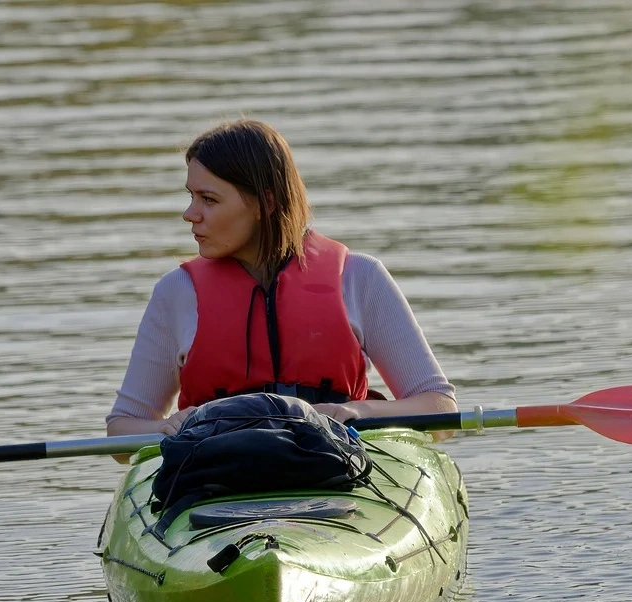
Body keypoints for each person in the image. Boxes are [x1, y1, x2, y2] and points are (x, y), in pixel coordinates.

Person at [106, 119, 457, 440]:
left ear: (266, 203)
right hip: (212, 467)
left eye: (208, 199)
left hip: (336, 463)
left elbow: (440, 410)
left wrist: (360, 410)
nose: (189, 214)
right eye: (191, 197)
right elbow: (122, 430)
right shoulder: (176, 292)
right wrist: (166, 426)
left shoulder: (360, 277)